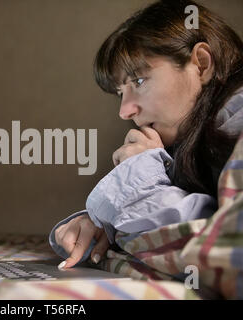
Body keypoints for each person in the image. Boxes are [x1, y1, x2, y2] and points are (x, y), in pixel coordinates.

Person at [49, 0, 243, 270]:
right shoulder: (187, 142)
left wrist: (139, 185)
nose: (125, 111)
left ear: (201, 64)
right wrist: (107, 221)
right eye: (120, 92)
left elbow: (229, 251)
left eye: (139, 81)